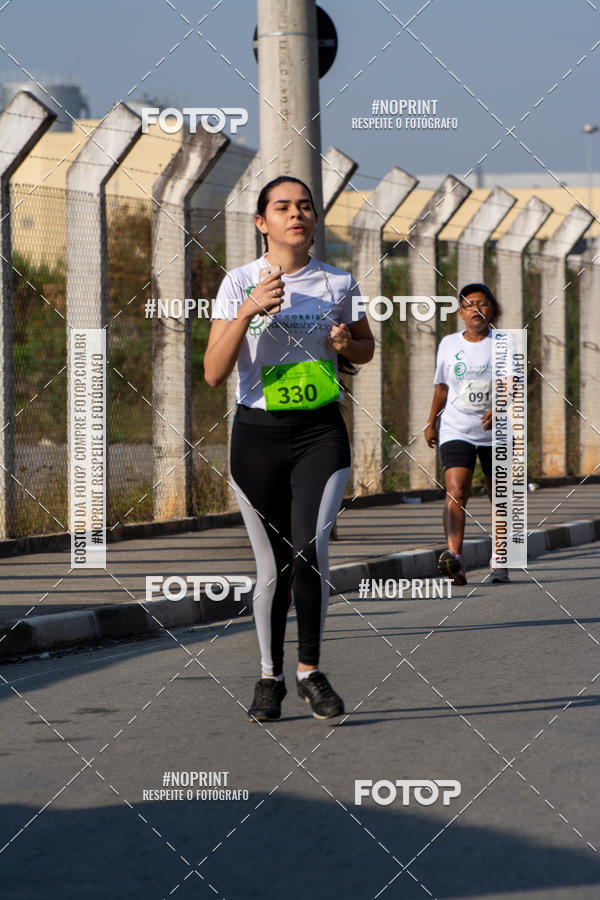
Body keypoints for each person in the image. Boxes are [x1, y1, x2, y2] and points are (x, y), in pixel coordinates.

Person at [204, 175, 375, 722]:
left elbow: (366, 346)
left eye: (305, 206)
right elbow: (212, 372)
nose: (296, 214)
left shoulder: (337, 282)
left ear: (314, 221)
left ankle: (310, 671)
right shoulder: (237, 283)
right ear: (262, 222)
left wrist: (351, 343)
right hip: (258, 436)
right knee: (272, 566)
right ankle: (268, 677)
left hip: (320, 432)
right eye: (282, 207)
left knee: (310, 549)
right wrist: (249, 310)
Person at [424, 282, 509, 586]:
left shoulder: (504, 342)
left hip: (495, 431)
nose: (476, 309)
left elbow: (513, 383)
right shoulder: (448, 343)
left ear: (491, 309)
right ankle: (454, 558)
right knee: (456, 490)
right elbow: (442, 388)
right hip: (456, 427)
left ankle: (499, 559)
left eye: (483, 304)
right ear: (460, 312)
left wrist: (500, 407)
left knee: (498, 494)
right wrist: (431, 422)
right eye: (469, 304)